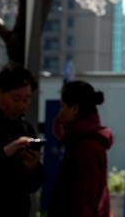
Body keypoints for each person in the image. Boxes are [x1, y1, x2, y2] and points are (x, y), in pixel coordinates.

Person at [0, 63, 44, 217]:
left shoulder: (24, 128)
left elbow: (33, 184)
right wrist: (7, 151)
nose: (21, 105)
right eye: (16, 99)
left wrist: (32, 166)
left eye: (26, 99)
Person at [47, 79, 113, 217]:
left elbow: (84, 201)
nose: (60, 113)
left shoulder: (86, 147)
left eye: (62, 106)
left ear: (75, 109)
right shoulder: (81, 140)